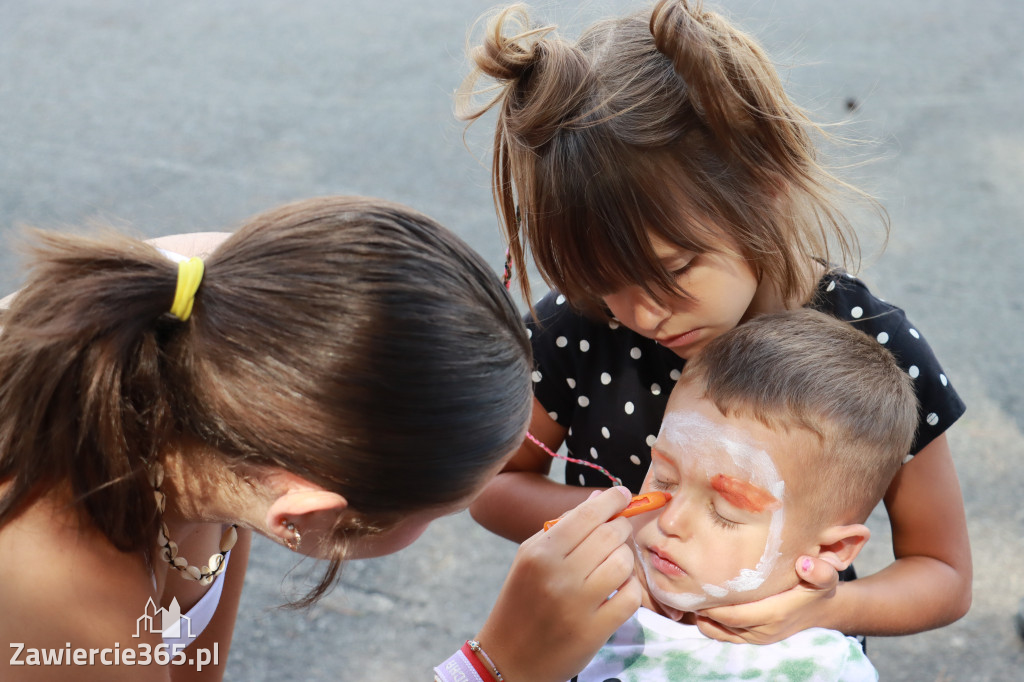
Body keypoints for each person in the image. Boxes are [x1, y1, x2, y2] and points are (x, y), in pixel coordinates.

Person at [458, 0, 971, 644]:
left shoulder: (873, 349)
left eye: (674, 270)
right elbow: (497, 485)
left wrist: (826, 608)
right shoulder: (581, 328)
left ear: (765, 188)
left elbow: (943, 572)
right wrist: (632, 520)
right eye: (605, 281)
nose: (641, 313)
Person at [0, 196, 640, 682]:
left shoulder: (227, 342)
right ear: (310, 513)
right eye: (436, 515)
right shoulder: (64, 606)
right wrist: (499, 666)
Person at [571, 308, 917, 681]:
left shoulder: (821, 671)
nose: (669, 521)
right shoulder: (581, 600)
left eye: (725, 512)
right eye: (665, 479)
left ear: (831, 551)